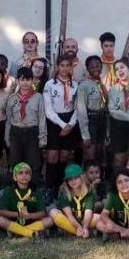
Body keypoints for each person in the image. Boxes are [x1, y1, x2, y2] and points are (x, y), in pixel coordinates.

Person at [43, 55, 82, 194]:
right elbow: (48, 109)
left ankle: (60, 188)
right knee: (52, 156)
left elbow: (78, 107)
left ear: (71, 67)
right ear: (57, 67)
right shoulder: (49, 84)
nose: (65, 68)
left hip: (70, 120)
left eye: (68, 66)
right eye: (62, 65)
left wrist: (70, 124)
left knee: (64, 157)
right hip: (55, 121)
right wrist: (62, 125)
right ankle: (48, 188)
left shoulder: (75, 85)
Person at [5, 67, 47, 177]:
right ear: (18, 81)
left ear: (32, 80)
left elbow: (42, 118)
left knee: (33, 161)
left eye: (28, 80)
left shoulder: (38, 97)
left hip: (32, 132)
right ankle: (14, 188)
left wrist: (43, 137)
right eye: (22, 79)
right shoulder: (12, 98)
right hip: (16, 132)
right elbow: (9, 120)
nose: (25, 83)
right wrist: (7, 137)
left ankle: (33, 188)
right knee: (15, 161)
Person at [0, 162, 54, 238]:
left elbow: (43, 212)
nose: (24, 175)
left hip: (32, 221)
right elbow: (1, 211)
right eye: (20, 173)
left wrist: (30, 215)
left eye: (27, 173)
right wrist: (18, 214)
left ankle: (18, 232)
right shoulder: (8, 190)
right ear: (14, 177)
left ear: (30, 177)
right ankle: (29, 233)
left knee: (50, 220)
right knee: (0, 220)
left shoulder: (36, 191)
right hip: (14, 221)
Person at [49, 164, 99, 238]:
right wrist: (78, 227)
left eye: (76, 178)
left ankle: (77, 231)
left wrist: (85, 227)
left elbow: (88, 212)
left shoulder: (89, 190)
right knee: (53, 212)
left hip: (84, 220)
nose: (73, 181)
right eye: (70, 179)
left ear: (81, 177)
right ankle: (79, 232)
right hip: (70, 221)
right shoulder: (64, 192)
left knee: (98, 217)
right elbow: (69, 214)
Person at [76, 56, 108, 163]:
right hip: (91, 120)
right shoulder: (84, 85)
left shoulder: (103, 84)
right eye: (92, 66)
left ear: (101, 67)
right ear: (87, 69)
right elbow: (81, 110)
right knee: (90, 155)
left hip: (102, 120)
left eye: (98, 66)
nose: (95, 68)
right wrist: (85, 134)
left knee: (100, 153)